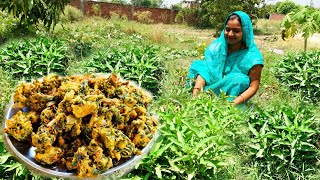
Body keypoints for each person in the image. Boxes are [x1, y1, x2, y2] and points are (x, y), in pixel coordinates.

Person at [187, 11, 263, 105]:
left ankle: (227, 104)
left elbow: (253, 87)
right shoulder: (217, 48)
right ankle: (197, 96)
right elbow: (205, 71)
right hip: (208, 89)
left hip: (233, 98)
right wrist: (196, 96)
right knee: (199, 65)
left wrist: (231, 106)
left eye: (236, 31)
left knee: (239, 79)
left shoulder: (253, 57)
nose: (230, 34)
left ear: (245, 31)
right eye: (227, 29)